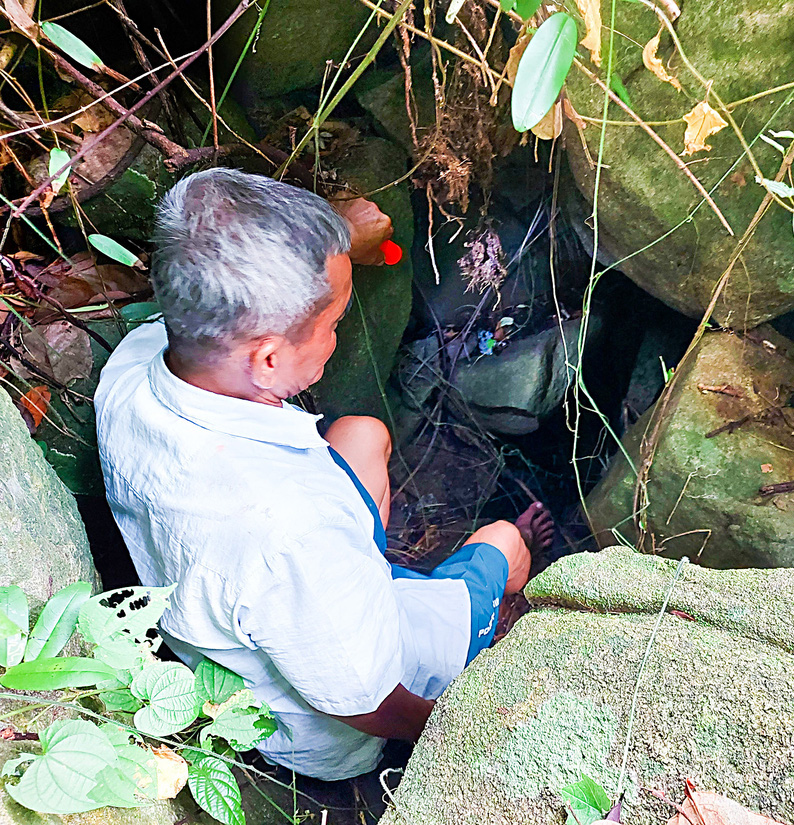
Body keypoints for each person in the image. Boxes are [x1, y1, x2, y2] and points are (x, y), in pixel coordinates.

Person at [94, 168, 554, 782]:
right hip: (337, 725)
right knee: (505, 540)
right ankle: (492, 621)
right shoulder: (293, 529)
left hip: (262, 602)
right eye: (335, 323)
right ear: (268, 358)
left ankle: (373, 578)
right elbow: (370, 705)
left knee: (363, 436)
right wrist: (458, 728)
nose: (339, 335)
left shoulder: (138, 362)